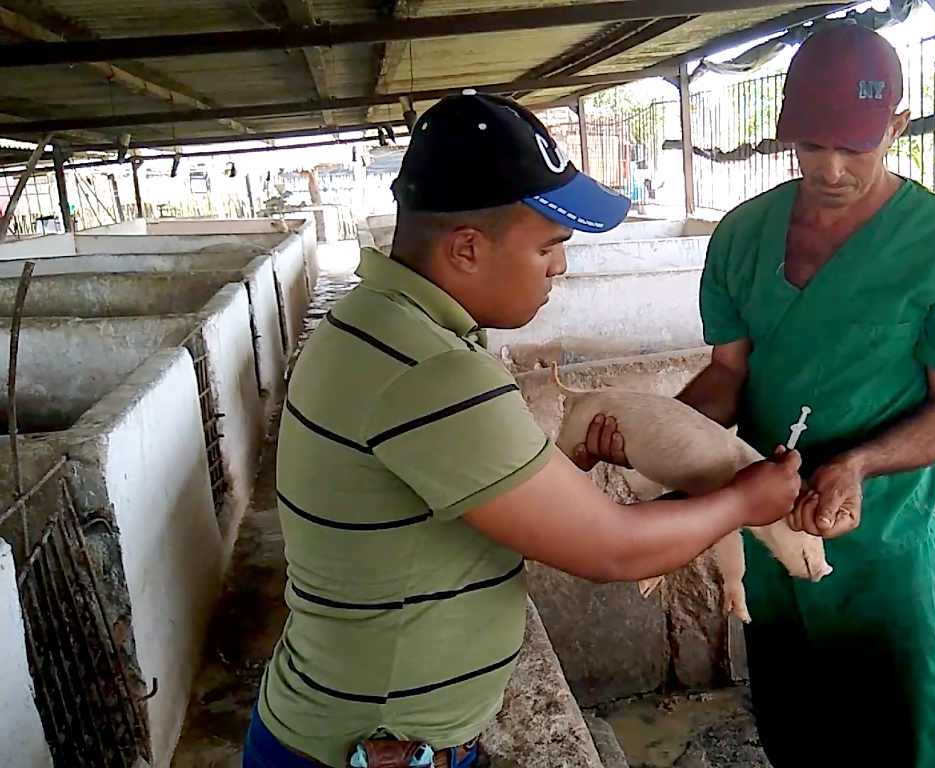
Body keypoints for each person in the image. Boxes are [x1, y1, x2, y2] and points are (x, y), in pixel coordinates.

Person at [241, 91, 804, 768]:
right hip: (367, 751)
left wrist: (562, 468)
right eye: (548, 247)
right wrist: (746, 502)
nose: (560, 268)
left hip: (365, 733)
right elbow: (613, 552)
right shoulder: (431, 369)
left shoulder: (378, 325)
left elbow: (453, 510)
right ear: (469, 249)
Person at [579, 23, 935, 767]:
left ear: (897, 127)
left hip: (881, 545)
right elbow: (726, 377)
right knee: (794, 726)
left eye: (855, 149)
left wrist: (859, 465)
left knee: (905, 728)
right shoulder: (743, 236)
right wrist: (653, 434)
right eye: (811, 147)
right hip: (765, 528)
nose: (831, 168)